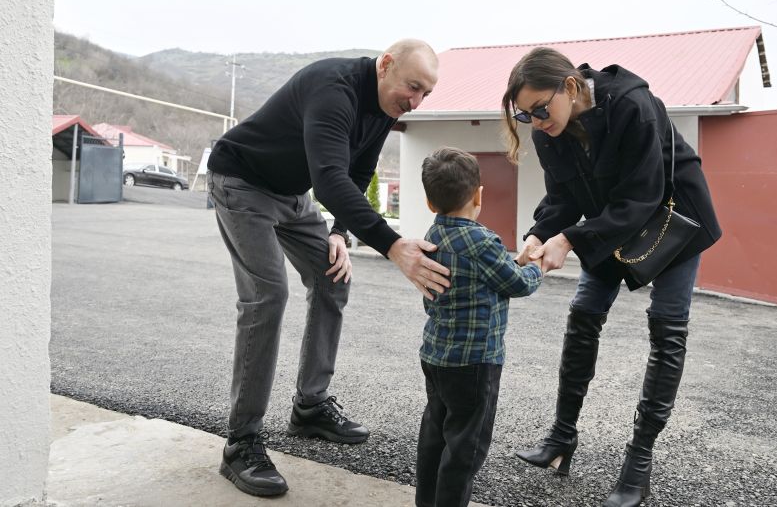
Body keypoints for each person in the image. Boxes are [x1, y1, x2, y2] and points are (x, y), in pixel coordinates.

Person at [207, 39, 451, 497]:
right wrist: (392, 245)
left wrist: (339, 233)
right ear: (385, 65)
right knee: (267, 296)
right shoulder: (333, 89)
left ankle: (310, 406)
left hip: (290, 195)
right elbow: (330, 179)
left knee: (332, 277)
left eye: (426, 94)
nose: (416, 102)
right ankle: (241, 442)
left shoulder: (385, 106)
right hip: (242, 181)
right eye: (413, 87)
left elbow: (358, 173)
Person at [501, 47, 721, 507]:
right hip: (610, 222)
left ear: (571, 87)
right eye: (525, 115)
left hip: (672, 220)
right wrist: (539, 233)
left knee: (666, 329)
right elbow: (562, 197)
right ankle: (561, 437)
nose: (536, 122)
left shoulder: (632, 106)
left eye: (540, 109)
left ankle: (638, 464)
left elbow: (642, 197)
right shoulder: (549, 130)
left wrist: (569, 240)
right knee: (583, 316)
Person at [415, 147, 542, 507]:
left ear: (429, 201)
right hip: (474, 362)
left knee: (435, 434)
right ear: (478, 196)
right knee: (466, 446)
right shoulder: (482, 241)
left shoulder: (430, 236)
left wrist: (514, 263)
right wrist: (538, 267)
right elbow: (518, 283)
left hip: (436, 356)